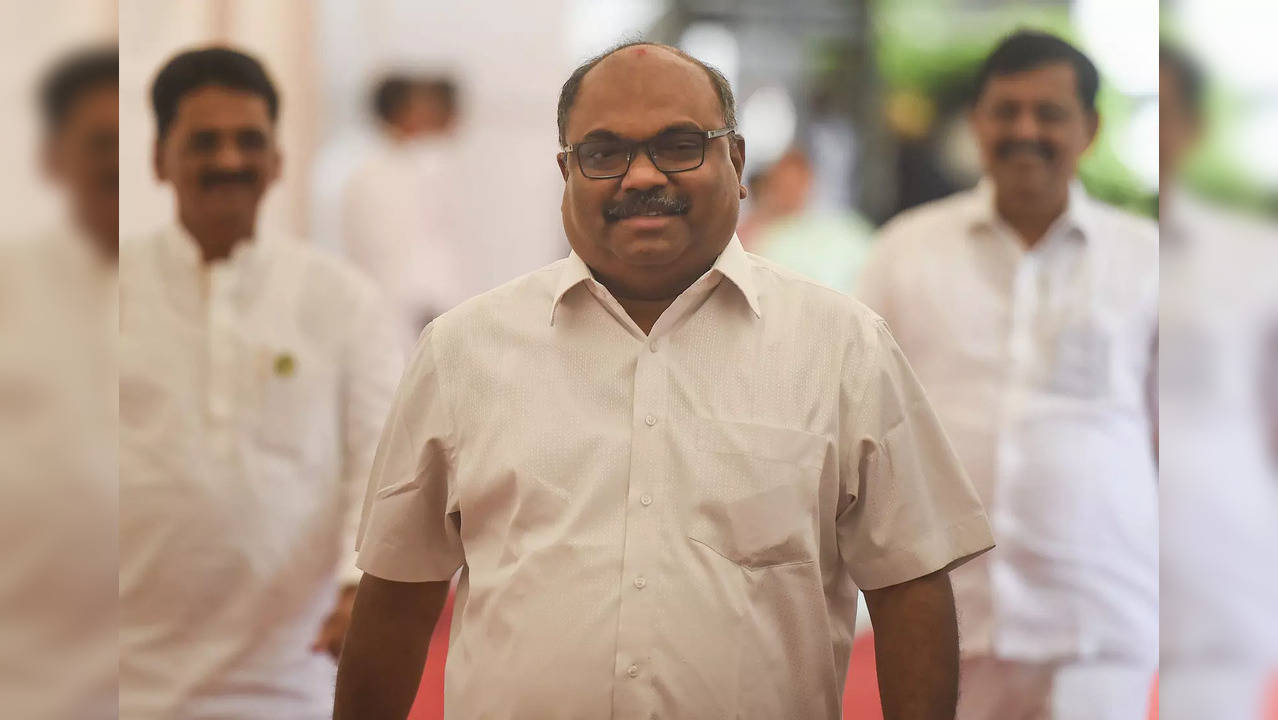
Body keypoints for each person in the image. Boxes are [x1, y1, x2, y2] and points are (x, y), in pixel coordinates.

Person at [335, 41, 993, 720]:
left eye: (680, 144)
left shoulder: (845, 349)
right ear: (567, 171)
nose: (642, 175)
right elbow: (399, 596)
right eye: (604, 152)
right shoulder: (463, 352)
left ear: (736, 162)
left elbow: (910, 586)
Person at [858, 31, 1159, 720]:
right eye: (1007, 110)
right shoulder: (905, 251)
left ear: (1090, 128)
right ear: (978, 123)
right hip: (941, 615)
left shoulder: (1148, 261)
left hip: (1097, 619)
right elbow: (855, 421)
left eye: (1049, 113)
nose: (1026, 129)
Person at [118, 47, 402, 719]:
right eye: (203, 142)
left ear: (277, 158)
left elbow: (380, 456)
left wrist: (359, 579)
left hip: (292, 676)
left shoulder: (341, 300)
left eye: (249, 141)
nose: (228, 161)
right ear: (160, 158)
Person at [1158, 44, 1278, 720]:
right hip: (1081, 585)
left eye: (1170, 113)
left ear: (1195, 126)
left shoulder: (1255, 257)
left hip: (1216, 569)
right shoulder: (1070, 261)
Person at [0, 45, 119, 720]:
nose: (115, 161)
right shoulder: (9, 285)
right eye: (98, 142)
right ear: (53, 157)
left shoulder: (184, 294)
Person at [342, 73, 463, 349]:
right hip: (408, 310)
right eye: (421, 108)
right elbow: (403, 254)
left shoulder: (371, 171)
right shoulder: (409, 170)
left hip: (408, 308)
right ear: (402, 113)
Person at [736, 146, 874, 295]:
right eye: (783, 184)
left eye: (796, 183)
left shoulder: (841, 229)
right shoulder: (751, 233)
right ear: (770, 185)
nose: (790, 192)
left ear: (809, 182)